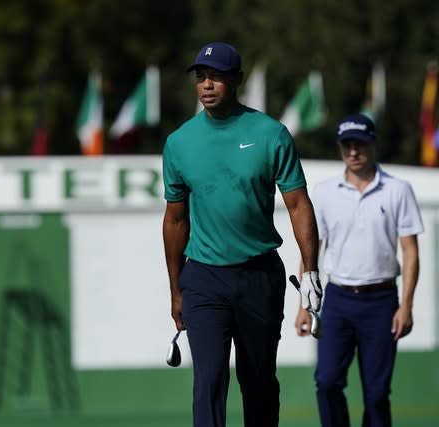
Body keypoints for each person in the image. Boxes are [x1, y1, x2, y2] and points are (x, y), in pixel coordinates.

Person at [162, 41, 321, 427]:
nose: (207, 85)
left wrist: (311, 270)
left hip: (258, 276)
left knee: (258, 380)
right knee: (210, 379)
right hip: (204, 277)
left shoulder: (270, 134)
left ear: (237, 79)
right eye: (201, 78)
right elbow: (175, 221)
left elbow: (299, 205)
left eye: (216, 76)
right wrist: (176, 288)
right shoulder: (179, 143)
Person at [295, 113, 424, 427]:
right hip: (337, 301)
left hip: (381, 302)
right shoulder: (324, 192)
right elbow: (311, 250)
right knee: (327, 382)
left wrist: (406, 306)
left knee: (377, 394)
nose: (353, 152)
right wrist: (303, 306)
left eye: (360, 144)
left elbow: (410, 252)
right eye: (346, 145)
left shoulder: (398, 190)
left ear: (373, 144)